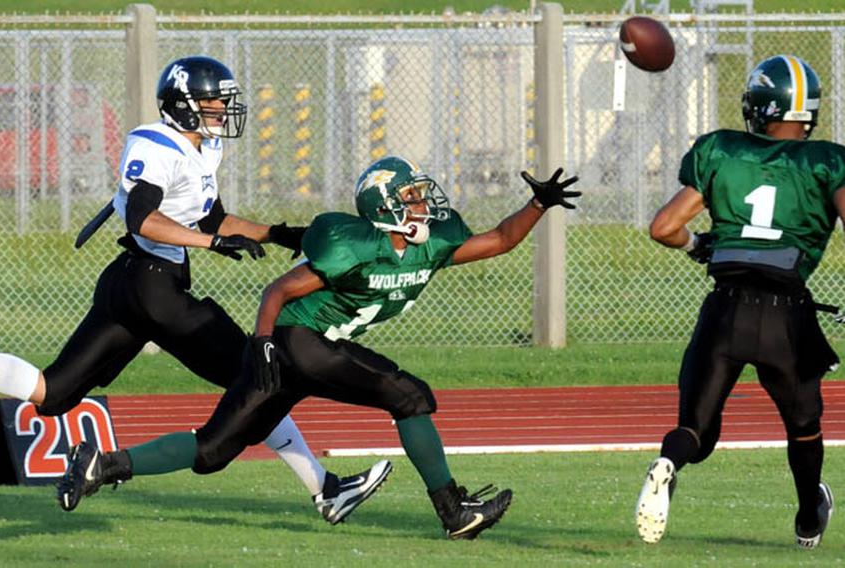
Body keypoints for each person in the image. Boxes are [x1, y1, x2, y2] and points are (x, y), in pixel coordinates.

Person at [0, 55, 391, 525]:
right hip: (153, 287)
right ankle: (325, 490)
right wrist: (210, 243)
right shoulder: (154, 144)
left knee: (54, 393)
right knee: (258, 374)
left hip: (131, 283)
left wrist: (275, 233)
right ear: (184, 104)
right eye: (213, 101)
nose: (221, 109)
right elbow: (144, 218)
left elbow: (211, 215)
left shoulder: (201, 146)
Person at [55, 155, 581, 539]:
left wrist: (537, 204)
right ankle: (453, 511)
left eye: (420, 194)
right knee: (410, 396)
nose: (424, 201)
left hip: (297, 353)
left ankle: (103, 465)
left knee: (213, 451)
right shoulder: (354, 243)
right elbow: (279, 289)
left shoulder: (433, 245)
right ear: (387, 207)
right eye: (413, 196)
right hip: (298, 343)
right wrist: (260, 343)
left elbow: (499, 239)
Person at [635, 54, 842, 548]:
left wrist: (700, 246)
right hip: (786, 316)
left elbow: (664, 228)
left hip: (725, 308)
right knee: (803, 426)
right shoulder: (828, 161)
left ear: (760, 105)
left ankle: (668, 464)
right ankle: (808, 518)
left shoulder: (721, 150)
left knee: (695, 430)